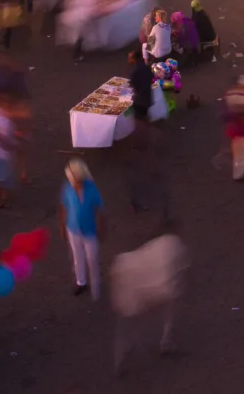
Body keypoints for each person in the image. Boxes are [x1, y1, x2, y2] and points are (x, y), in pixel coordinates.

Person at [111, 221, 187, 375]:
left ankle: (120, 361)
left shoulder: (139, 253)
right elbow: (181, 269)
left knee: (128, 329)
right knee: (168, 314)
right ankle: (165, 342)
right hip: (163, 290)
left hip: (134, 294)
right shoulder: (175, 245)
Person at [61, 157, 106, 300]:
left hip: (89, 231)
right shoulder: (68, 189)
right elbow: (63, 207)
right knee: (77, 257)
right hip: (73, 230)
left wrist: (101, 227)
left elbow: (100, 209)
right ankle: (81, 282)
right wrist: (63, 227)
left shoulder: (91, 189)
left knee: (92, 258)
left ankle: (95, 285)